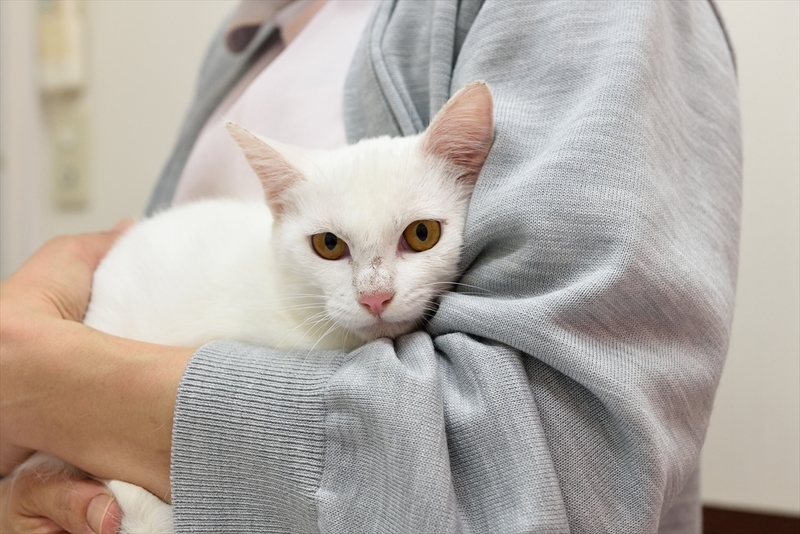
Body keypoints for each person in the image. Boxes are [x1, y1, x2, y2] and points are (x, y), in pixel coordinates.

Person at [0, 1, 741, 532]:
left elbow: (552, 480)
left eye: (419, 235)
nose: (377, 291)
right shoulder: (251, 33)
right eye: (331, 248)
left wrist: (46, 382)